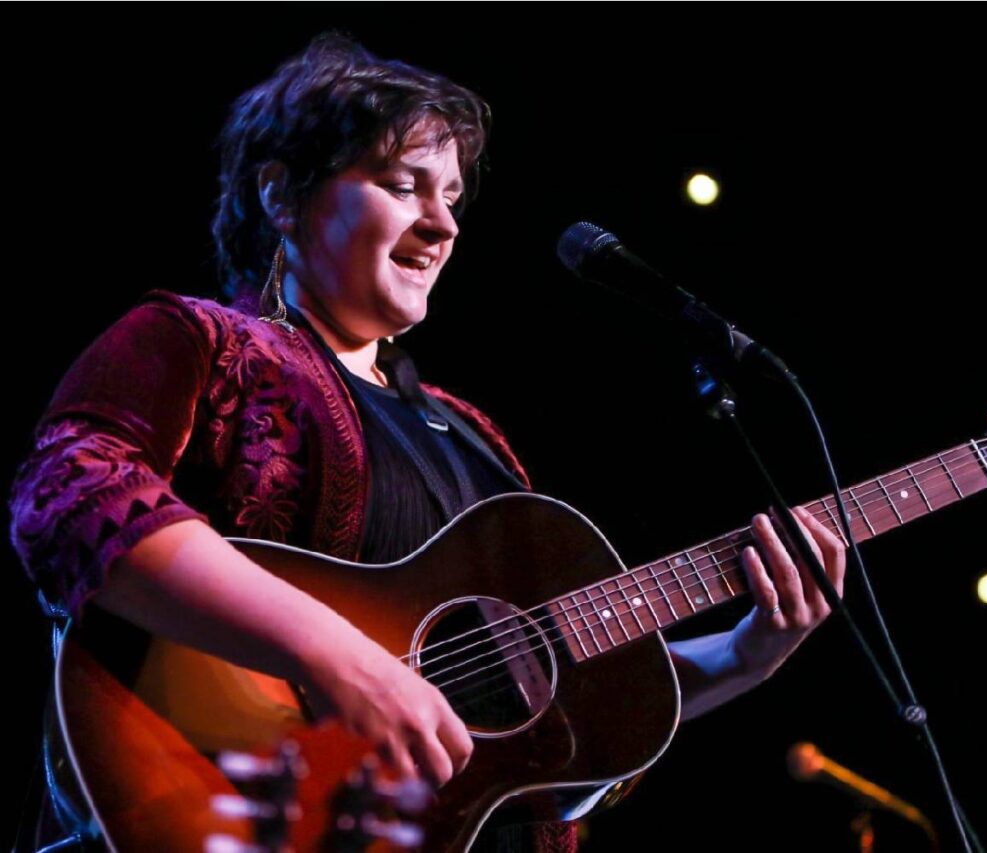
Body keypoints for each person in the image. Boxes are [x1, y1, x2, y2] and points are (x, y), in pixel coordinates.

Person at [9, 32, 846, 852]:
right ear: (282, 195)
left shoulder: (477, 437)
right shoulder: (202, 343)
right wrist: (338, 657)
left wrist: (742, 654)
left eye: (450, 197)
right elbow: (73, 497)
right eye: (403, 185)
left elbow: (547, 716)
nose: (442, 224)